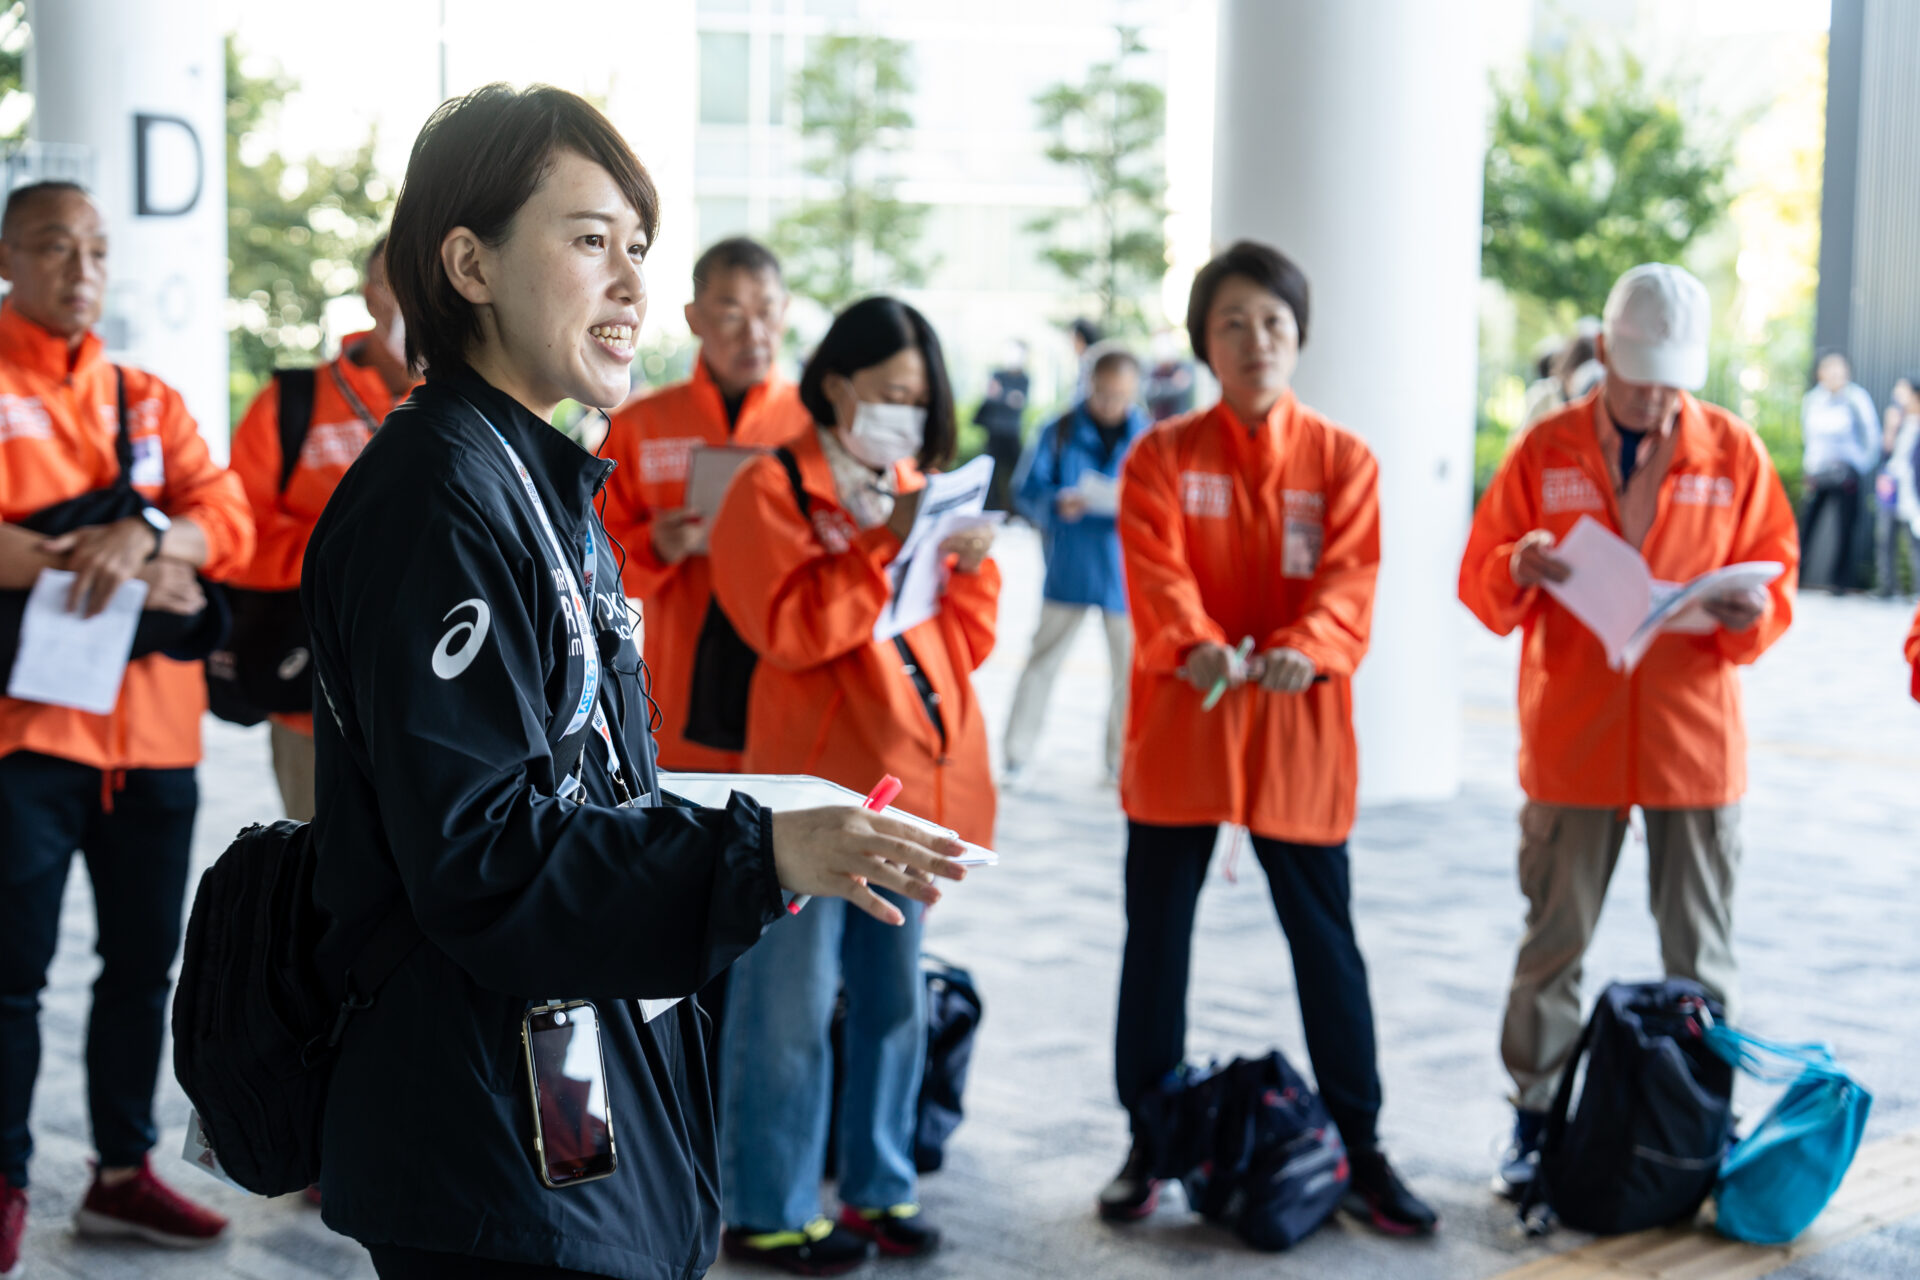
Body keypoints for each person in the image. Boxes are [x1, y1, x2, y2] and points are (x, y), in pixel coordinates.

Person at [299, 85, 966, 1280]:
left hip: (552, 1065)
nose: (630, 285)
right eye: (589, 239)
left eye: (638, 249)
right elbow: (484, 852)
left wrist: (778, 820)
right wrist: (762, 854)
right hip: (474, 1111)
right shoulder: (439, 499)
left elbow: (586, 786)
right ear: (469, 263)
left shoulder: (530, 476)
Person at [1099, 240, 1436, 1237]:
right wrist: (1194, 643)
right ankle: (1147, 1141)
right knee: (1155, 942)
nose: (1256, 340)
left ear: (1301, 338)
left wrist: (1308, 645)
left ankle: (1363, 1145)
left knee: (1327, 945)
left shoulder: (1342, 460)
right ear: (1205, 340)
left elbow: (1349, 584)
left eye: (1275, 323)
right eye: (1234, 323)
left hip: (1297, 734)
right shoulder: (1162, 455)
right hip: (1186, 731)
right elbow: (1157, 577)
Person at [1459, 263, 1800, 1202]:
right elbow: (1482, 584)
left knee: (1701, 951)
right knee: (1554, 939)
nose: (1654, 400)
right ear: (1604, 351)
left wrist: (1742, 613)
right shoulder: (1546, 449)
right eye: (1639, 376)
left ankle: (1702, 1121)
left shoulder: (1731, 450)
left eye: (1671, 382)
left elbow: (1778, 588)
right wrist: (1516, 564)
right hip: (1574, 732)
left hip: (1694, 741)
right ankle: (1533, 1121)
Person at [708, 296, 998, 1274]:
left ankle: (879, 1183)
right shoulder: (769, 488)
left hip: (907, 781)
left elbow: (962, 640)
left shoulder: (914, 482)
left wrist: (969, 566)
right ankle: (771, 1204)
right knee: (786, 1002)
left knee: (893, 997)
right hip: (807, 793)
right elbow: (785, 628)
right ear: (837, 386)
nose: (906, 419)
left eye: (919, 400)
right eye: (890, 395)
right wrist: (884, 544)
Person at [0, 180, 254, 1271]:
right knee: (9, 973)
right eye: (56, 245)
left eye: (97, 247)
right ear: (10, 257)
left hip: (153, 738)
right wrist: (59, 552)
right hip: (30, 734)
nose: (82, 266)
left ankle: (120, 1169)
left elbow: (228, 517)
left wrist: (148, 546)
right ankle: (5, 1177)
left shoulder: (144, 395)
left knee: (144, 963)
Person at [599, 236, 808, 774]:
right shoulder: (640, 427)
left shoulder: (816, 426)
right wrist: (653, 546)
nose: (754, 333)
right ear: (694, 318)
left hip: (795, 677)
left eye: (767, 312)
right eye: (732, 312)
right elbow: (589, 559)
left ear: (785, 311)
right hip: (684, 683)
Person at [227, 234, 415, 821]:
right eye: (396, 279)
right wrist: (340, 543)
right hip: (313, 699)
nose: (415, 295)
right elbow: (235, 534)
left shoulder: (476, 400)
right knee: (327, 886)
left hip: (440, 695)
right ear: (369, 296)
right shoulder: (292, 403)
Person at [1003, 342, 1147, 787]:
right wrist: (1054, 503)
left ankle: (1121, 762)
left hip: (1125, 572)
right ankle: (1016, 755)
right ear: (1087, 385)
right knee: (1042, 660)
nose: (1109, 404)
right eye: (1102, 393)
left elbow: (1167, 500)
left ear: (1134, 392)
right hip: (1069, 566)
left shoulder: (1149, 436)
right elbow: (1025, 490)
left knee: (1130, 673)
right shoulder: (1058, 429)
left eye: (1119, 395)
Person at [1798, 351, 1879, 591]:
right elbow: (1808, 437)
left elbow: (1871, 436)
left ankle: (1840, 583)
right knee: (1808, 525)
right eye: (1828, 368)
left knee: (1845, 528)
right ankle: (1797, 576)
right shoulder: (1812, 400)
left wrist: (1859, 465)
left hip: (1846, 473)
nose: (1833, 373)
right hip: (1818, 472)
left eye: (1838, 368)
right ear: (1819, 373)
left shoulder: (1856, 398)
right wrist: (1809, 467)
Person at [1873, 375, 1920, 598]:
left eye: (1903, 391)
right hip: (1892, 487)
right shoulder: (1897, 421)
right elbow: (1886, 452)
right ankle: (1887, 587)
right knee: (1886, 538)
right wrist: (1890, 429)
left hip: (1914, 490)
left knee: (1915, 542)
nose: (1898, 397)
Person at [974, 338, 1030, 514]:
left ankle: (1017, 508)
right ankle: (991, 507)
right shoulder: (998, 374)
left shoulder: (1024, 378)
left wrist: (1001, 394)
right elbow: (992, 394)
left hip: (1012, 432)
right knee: (991, 473)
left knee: (1020, 471)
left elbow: (1018, 400)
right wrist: (1006, 396)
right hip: (994, 431)